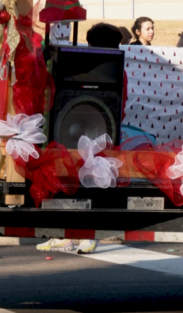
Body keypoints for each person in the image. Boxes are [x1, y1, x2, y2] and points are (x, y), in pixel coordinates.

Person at [36, 22, 129, 255]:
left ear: (90, 43)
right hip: (84, 125)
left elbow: (116, 101)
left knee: (90, 184)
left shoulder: (117, 68)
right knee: (70, 183)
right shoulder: (113, 67)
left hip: (99, 129)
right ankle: (62, 236)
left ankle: (89, 235)